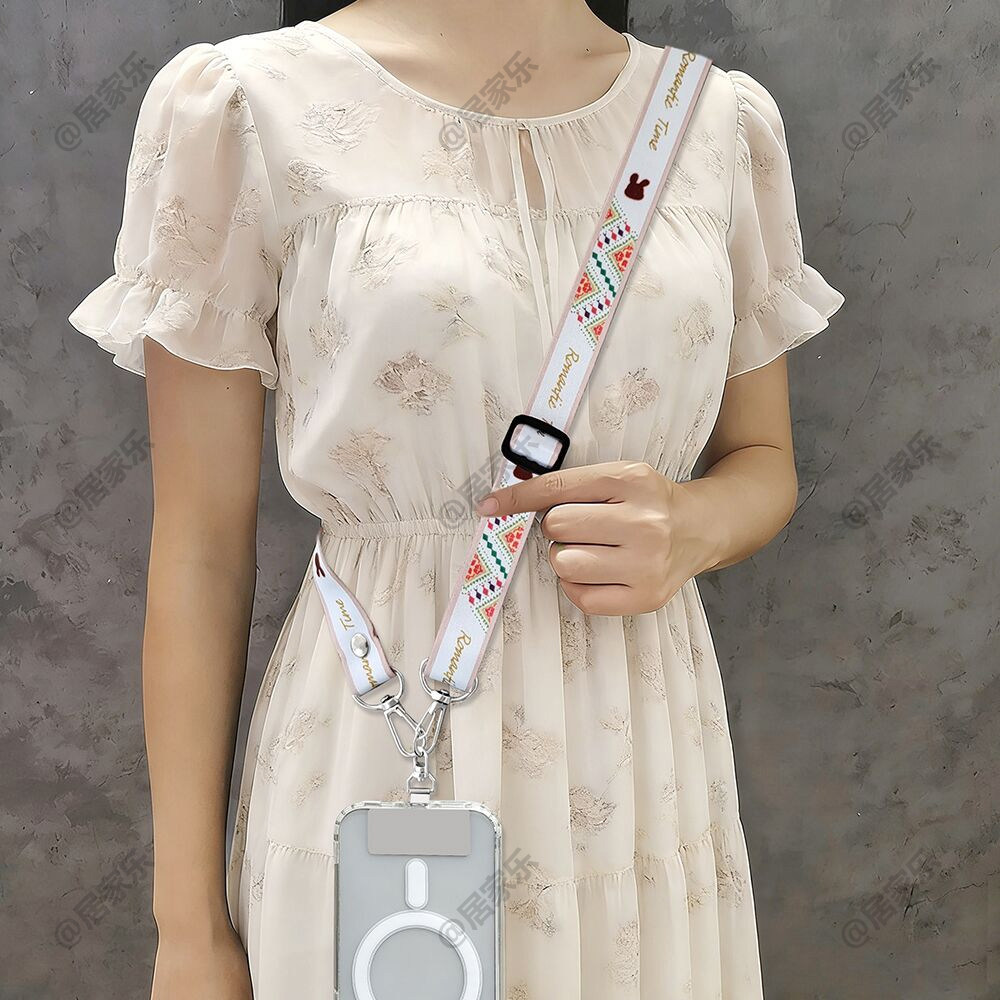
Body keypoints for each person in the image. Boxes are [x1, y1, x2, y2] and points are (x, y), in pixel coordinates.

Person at [67, 1, 845, 996]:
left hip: (641, 773)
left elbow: (763, 460)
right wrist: (186, 927)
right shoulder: (248, 106)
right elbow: (200, 545)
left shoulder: (712, 122)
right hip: (378, 746)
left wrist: (694, 525)